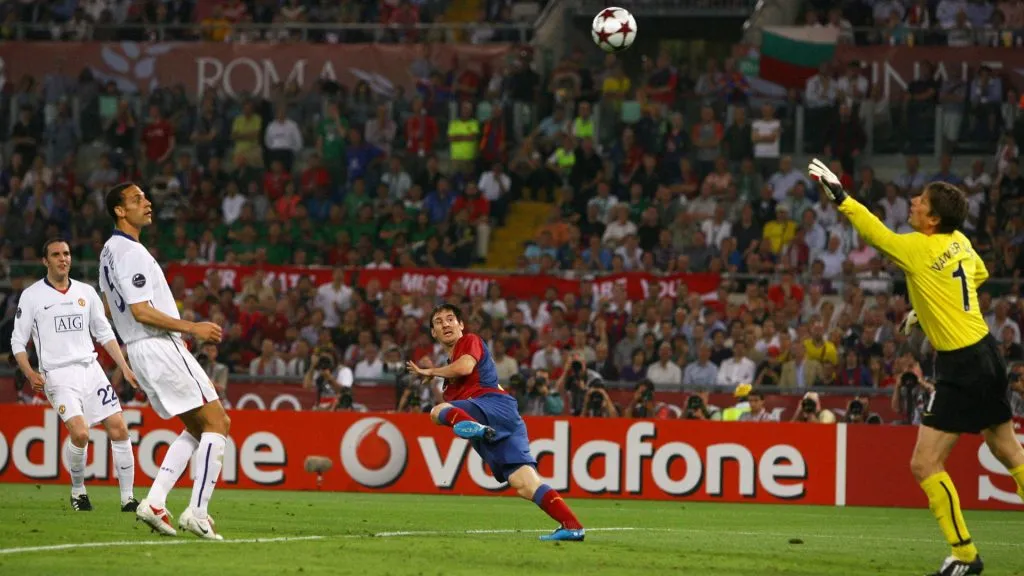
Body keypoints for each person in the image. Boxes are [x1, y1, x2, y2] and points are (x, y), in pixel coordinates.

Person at [809, 159, 1024, 576]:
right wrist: (924, 309)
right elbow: (976, 275)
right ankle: (964, 555)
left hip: (961, 365)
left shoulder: (917, 247)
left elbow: (874, 231)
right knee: (1007, 450)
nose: (913, 202)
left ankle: (964, 555)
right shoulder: (959, 241)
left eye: (921, 202)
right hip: (989, 354)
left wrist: (839, 194)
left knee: (924, 464)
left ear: (932, 219)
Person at [100, 182, 229, 540]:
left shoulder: (107, 252)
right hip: (156, 344)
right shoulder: (131, 253)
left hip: (140, 349)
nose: (148, 202)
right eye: (137, 199)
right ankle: (198, 512)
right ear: (119, 211)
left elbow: (110, 304)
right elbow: (141, 310)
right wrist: (192, 328)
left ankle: (155, 502)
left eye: (145, 197)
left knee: (197, 426)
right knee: (219, 422)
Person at [406, 304, 585, 541]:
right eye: (439, 322)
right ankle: (572, 526)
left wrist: (431, 371)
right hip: (503, 417)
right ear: (433, 333)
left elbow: (466, 367)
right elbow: (457, 373)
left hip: (491, 405)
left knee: (437, 411)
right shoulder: (448, 384)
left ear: (461, 325)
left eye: (450, 319)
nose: (446, 324)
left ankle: (476, 429)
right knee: (523, 483)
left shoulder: (469, 340)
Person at [10, 238, 139, 512]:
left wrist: (124, 368)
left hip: (91, 371)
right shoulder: (33, 296)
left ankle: (128, 499)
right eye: (56, 255)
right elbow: (17, 342)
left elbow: (104, 333)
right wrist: (30, 372)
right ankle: (78, 491)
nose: (63, 259)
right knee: (80, 434)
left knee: (120, 428)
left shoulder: (86, 293)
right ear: (45, 261)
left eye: (66, 254)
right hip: (57, 375)